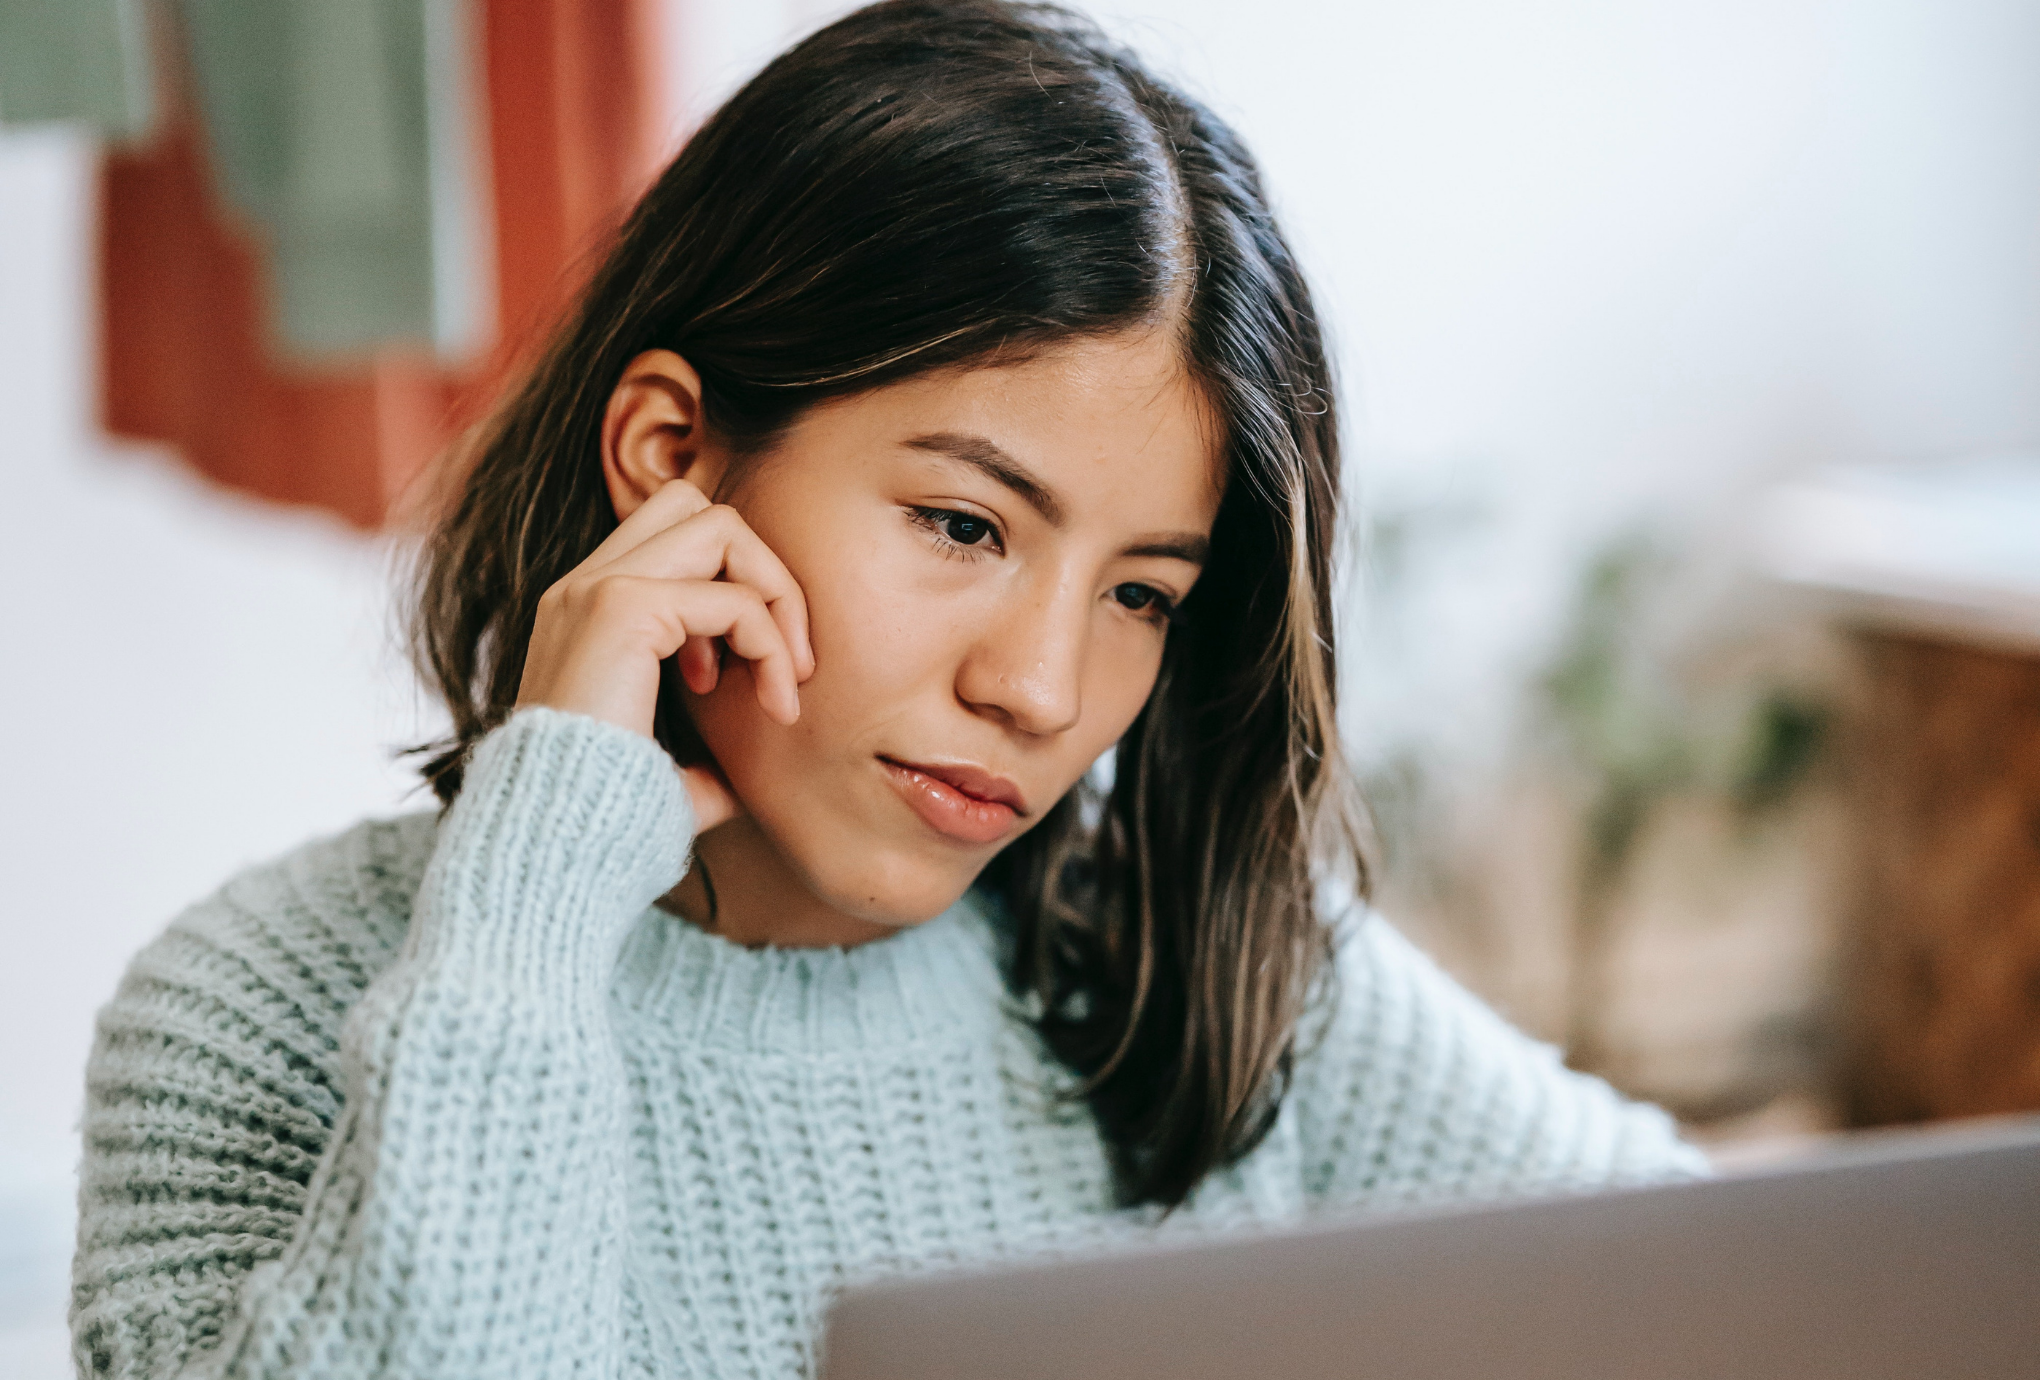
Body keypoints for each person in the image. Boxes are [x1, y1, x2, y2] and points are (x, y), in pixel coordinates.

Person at [69, 2, 1708, 1375]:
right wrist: (539, 879)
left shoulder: (1210, 988)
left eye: (1142, 593)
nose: (1044, 686)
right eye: (961, 523)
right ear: (670, 461)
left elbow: (1751, 1296)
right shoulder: (258, 1012)